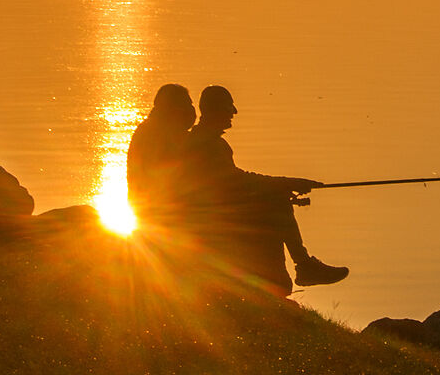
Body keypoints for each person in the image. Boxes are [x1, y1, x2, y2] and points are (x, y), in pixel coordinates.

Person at [175, 84, 349, 294]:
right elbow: (236, 182)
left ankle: (302, 266)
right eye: (230, 106)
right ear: (216, 110)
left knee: (277, 198)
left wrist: (281, 187)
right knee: (278, 204)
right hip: (210, 218)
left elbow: (233, 184)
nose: (234, 112)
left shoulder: (207, 141)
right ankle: (303, 266)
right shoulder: (207, 144)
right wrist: (286, 183)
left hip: (213, 211)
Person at [124, 83, 196, 228]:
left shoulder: (153, 129)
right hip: (160, 213)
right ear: (175, 109)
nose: (192, 110)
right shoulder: (158, 134)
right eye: (188, 105)